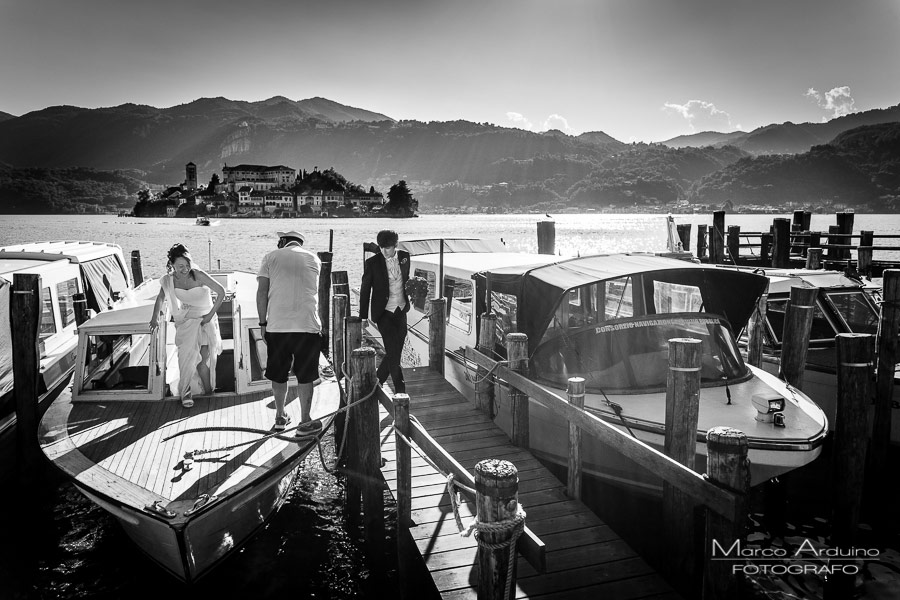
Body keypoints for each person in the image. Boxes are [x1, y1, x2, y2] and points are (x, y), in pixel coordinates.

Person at [257, 230, 323, 436]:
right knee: (306, 375)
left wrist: (262, 323)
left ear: (284, 241)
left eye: (279, 240)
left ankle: (279, 416)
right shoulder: (315, 259)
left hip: (278, 326)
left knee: (278, 372)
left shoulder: (270, 257)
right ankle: (304, 422)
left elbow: (262, 293)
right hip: (307, 325)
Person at [150, 243, 224, 408]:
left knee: (203, 361)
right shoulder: (169, 281)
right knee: (186, 359)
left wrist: (209, 317)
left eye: (187, 264)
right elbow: (160, 299)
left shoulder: (198, 275)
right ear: (172, 266)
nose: (185, 269)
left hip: (207, 320)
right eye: (180, 266)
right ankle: (186, 392)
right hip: (186, 322)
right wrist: (154, 318)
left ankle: (209, 392)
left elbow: (221, 292)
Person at [359, 230, 410, 393]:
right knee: (393, 352)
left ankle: (377, 381)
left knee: (395, 351)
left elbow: (406, 280)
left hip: (401, 310)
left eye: (387, 248)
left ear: (396, 245)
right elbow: (365, 290)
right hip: (383, 313)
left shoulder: (405, 257)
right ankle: (401, 391)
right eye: (381, 248)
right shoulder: (373, 263)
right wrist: (363, 316)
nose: (384, 251)